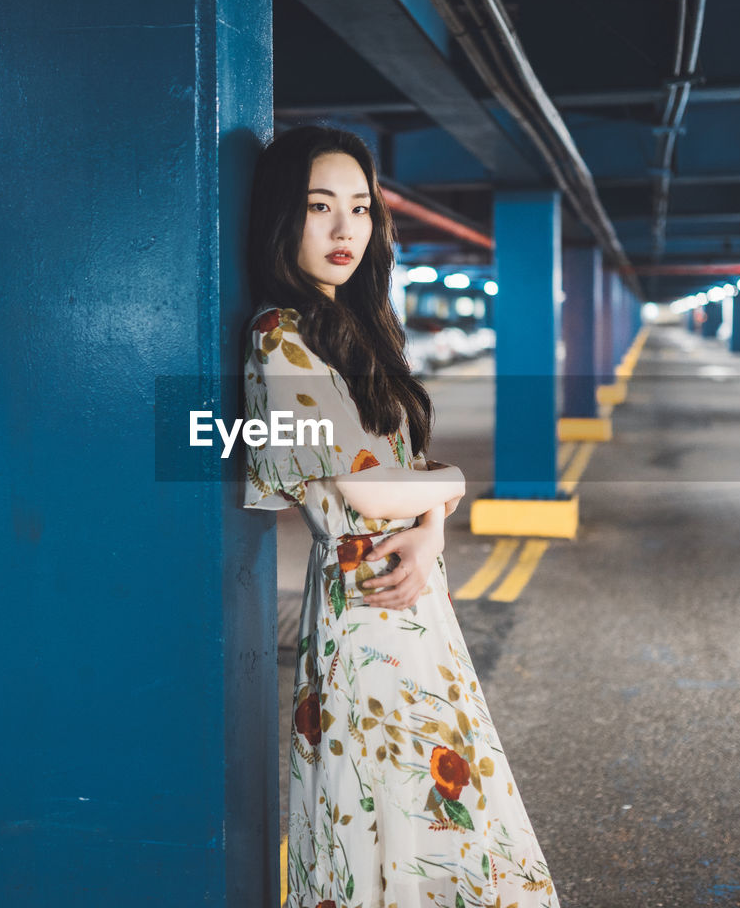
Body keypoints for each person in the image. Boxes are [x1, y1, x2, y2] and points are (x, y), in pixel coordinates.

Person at [242, 126, 556, 907]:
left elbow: (405, 481)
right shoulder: (278, 338)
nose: (346, 229)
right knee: (378, 813)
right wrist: (446, 490)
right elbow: (374, 492)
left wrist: (432, 524)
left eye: (359, 208)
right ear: (285, 217)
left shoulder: (359, 329)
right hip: (362, 620)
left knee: (439, 810)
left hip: (416, 604)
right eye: (320, 208)